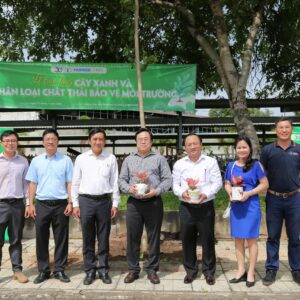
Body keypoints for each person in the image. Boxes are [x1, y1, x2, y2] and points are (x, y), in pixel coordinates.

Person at [119, 128, 172, 284]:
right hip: (134, 203)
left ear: (151, 141)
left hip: (154, 202)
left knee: (154, 237)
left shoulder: (159, 159)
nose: (143, 141)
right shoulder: (128, 160)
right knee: (132, 237)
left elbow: (168, 179)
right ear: (136, 142)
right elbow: (121, 180)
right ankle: (133, 270)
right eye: (140, 139)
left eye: (146, 139)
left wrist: (156, 191)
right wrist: (130, 189)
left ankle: (152, 270)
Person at [172, 133, 222, 285]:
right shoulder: (179, 164)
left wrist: (206, 193)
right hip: (186, 207)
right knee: (187, 239)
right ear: (185, 147)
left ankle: (209, 272)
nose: (192, 147)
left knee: (207, 239)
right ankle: (190, 271)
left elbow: (217, 182)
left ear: (201, 144)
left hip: (205, 206)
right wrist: (182, 193)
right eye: (189, 144)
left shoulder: (210, 162)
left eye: (195, 143)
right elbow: (175, 185)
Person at [71, 128, 120, 285]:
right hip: (86, 201)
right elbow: (75, 182)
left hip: (104, 202)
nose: (98, 142)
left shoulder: (110, 158)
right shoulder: (81, 158)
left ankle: (104, 269)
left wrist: (116, 203)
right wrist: (75, 203)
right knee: (88, 237)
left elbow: (115, 182)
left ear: (104, 141)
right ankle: (90, 271)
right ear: (89, 140)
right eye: (95, 139)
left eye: (101, 139)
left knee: (104, 237)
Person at [26, 129, 73, 284]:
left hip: (61, 204)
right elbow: (33, 183)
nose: (50, 141)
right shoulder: (36, 161)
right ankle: (44, 270)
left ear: (58, 141)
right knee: (41, 238)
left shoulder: (66, 160)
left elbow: (70, 182)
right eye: (47, 139)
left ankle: (59, 270)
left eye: (53, 139)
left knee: (61, 238)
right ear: (43, 142)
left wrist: (71, 202)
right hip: (42, 204)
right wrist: (30, 203)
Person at [224, 136, 269, 288]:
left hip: (251, 206)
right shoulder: (230, 166)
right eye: (239, 147)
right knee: (237, 239)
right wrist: (230, 193)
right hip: (237, 206)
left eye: (245, 147)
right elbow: (227, 184)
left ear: (249, 149)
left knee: (251, 239)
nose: (242, 150)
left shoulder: (256, 165)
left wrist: (249, 193)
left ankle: (251, 272)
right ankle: (241, 270)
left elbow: (264, 184)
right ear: (235, 149)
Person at [260, 117, 300, 286]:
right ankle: (271, 269)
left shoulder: (298, 149)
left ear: (291, 130)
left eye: (287, 127)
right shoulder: (268, 150)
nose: (284, 130)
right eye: (280, 127)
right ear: (275, 130)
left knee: (295, 237)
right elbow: (261, 173)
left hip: (295, 199)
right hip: (274, 199)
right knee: (273, 236)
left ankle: (297, 269)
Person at [0, 130, 29, 283]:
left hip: (17, 205)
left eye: (13, 140)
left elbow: (26, 185)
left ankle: (17, 270)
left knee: (16, 239)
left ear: (17, 142)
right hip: (0, 204)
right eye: (6, 140)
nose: (10, 143)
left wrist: (29, 203)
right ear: (1, 143)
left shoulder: (23, 161)